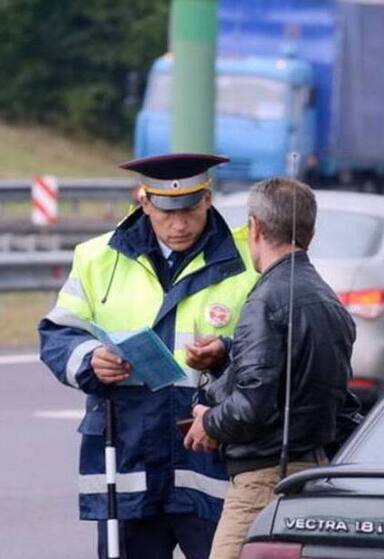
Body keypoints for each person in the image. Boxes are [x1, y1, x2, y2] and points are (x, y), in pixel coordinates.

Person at [38, 153, 260, 559]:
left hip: (209, 462)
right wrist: (90, 359)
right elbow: (57, 334)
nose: (178, 225)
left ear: (208, 199)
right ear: (144, 202)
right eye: (165, 212)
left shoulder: (247, 262)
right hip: (127, 457)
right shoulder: (97, 258)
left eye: (190, 210)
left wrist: (224, 354)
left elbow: (269, 351)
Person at [183, 177, 362, 559]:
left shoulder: (265, 300)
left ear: (255, 228)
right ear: (310, 233)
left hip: (264, 480)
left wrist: (209, 421)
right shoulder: (328, 301)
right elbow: (298, 375)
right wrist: (228, 351)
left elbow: (254, 403)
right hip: (312, 471)